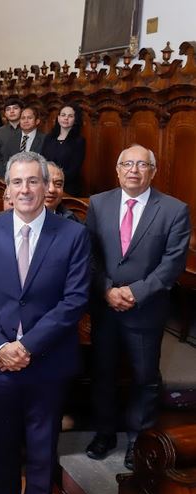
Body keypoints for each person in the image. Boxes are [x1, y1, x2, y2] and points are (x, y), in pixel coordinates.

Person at [0, 151, 90, 494]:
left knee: (41, 452)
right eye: (17, 182)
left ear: (47, 185)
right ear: (6, 188)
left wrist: (28, 346)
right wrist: (2, 347)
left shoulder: (72, 234)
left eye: (33, 181)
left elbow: (75, 299)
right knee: (2, 449)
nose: (25, 189)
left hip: (49, 361)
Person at [85, 144, 191, 470]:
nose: (133, 169)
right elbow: (90, 255)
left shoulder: (174, 209)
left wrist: (134, 292)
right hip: (105, 307)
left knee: (145, 377)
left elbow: (172, 264)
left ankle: (138, 439)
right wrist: (106, 290)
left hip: (145, 309)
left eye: (141, 164)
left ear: (153, 171)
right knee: (102, 373)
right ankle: (104, 432)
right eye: (127, 164)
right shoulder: (98, 204)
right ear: (117, 170)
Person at [41, 103, 86, 196]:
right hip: (46, 185)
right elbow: (42, 161)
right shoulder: (49, 138)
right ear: (58, 118)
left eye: (70, 116)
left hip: (68, 188)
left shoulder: (79, 141)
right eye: (63, 115)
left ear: (75, 120)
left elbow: (74, 169)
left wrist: (56, 180)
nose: (66, 118)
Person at [0, 106, 46, 177]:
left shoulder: (45, 140)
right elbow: (4, 160)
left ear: (37, 121)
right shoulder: (11, 139)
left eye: (29, 118)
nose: (25, 121)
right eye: (23, 118)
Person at [0, 98, 24, 176]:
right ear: (5, 114)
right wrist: (3, 172)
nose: (12, 111)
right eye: (8, 109)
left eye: (15, 108)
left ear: (22, 111)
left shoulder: (28, 129)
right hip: (5, 174)